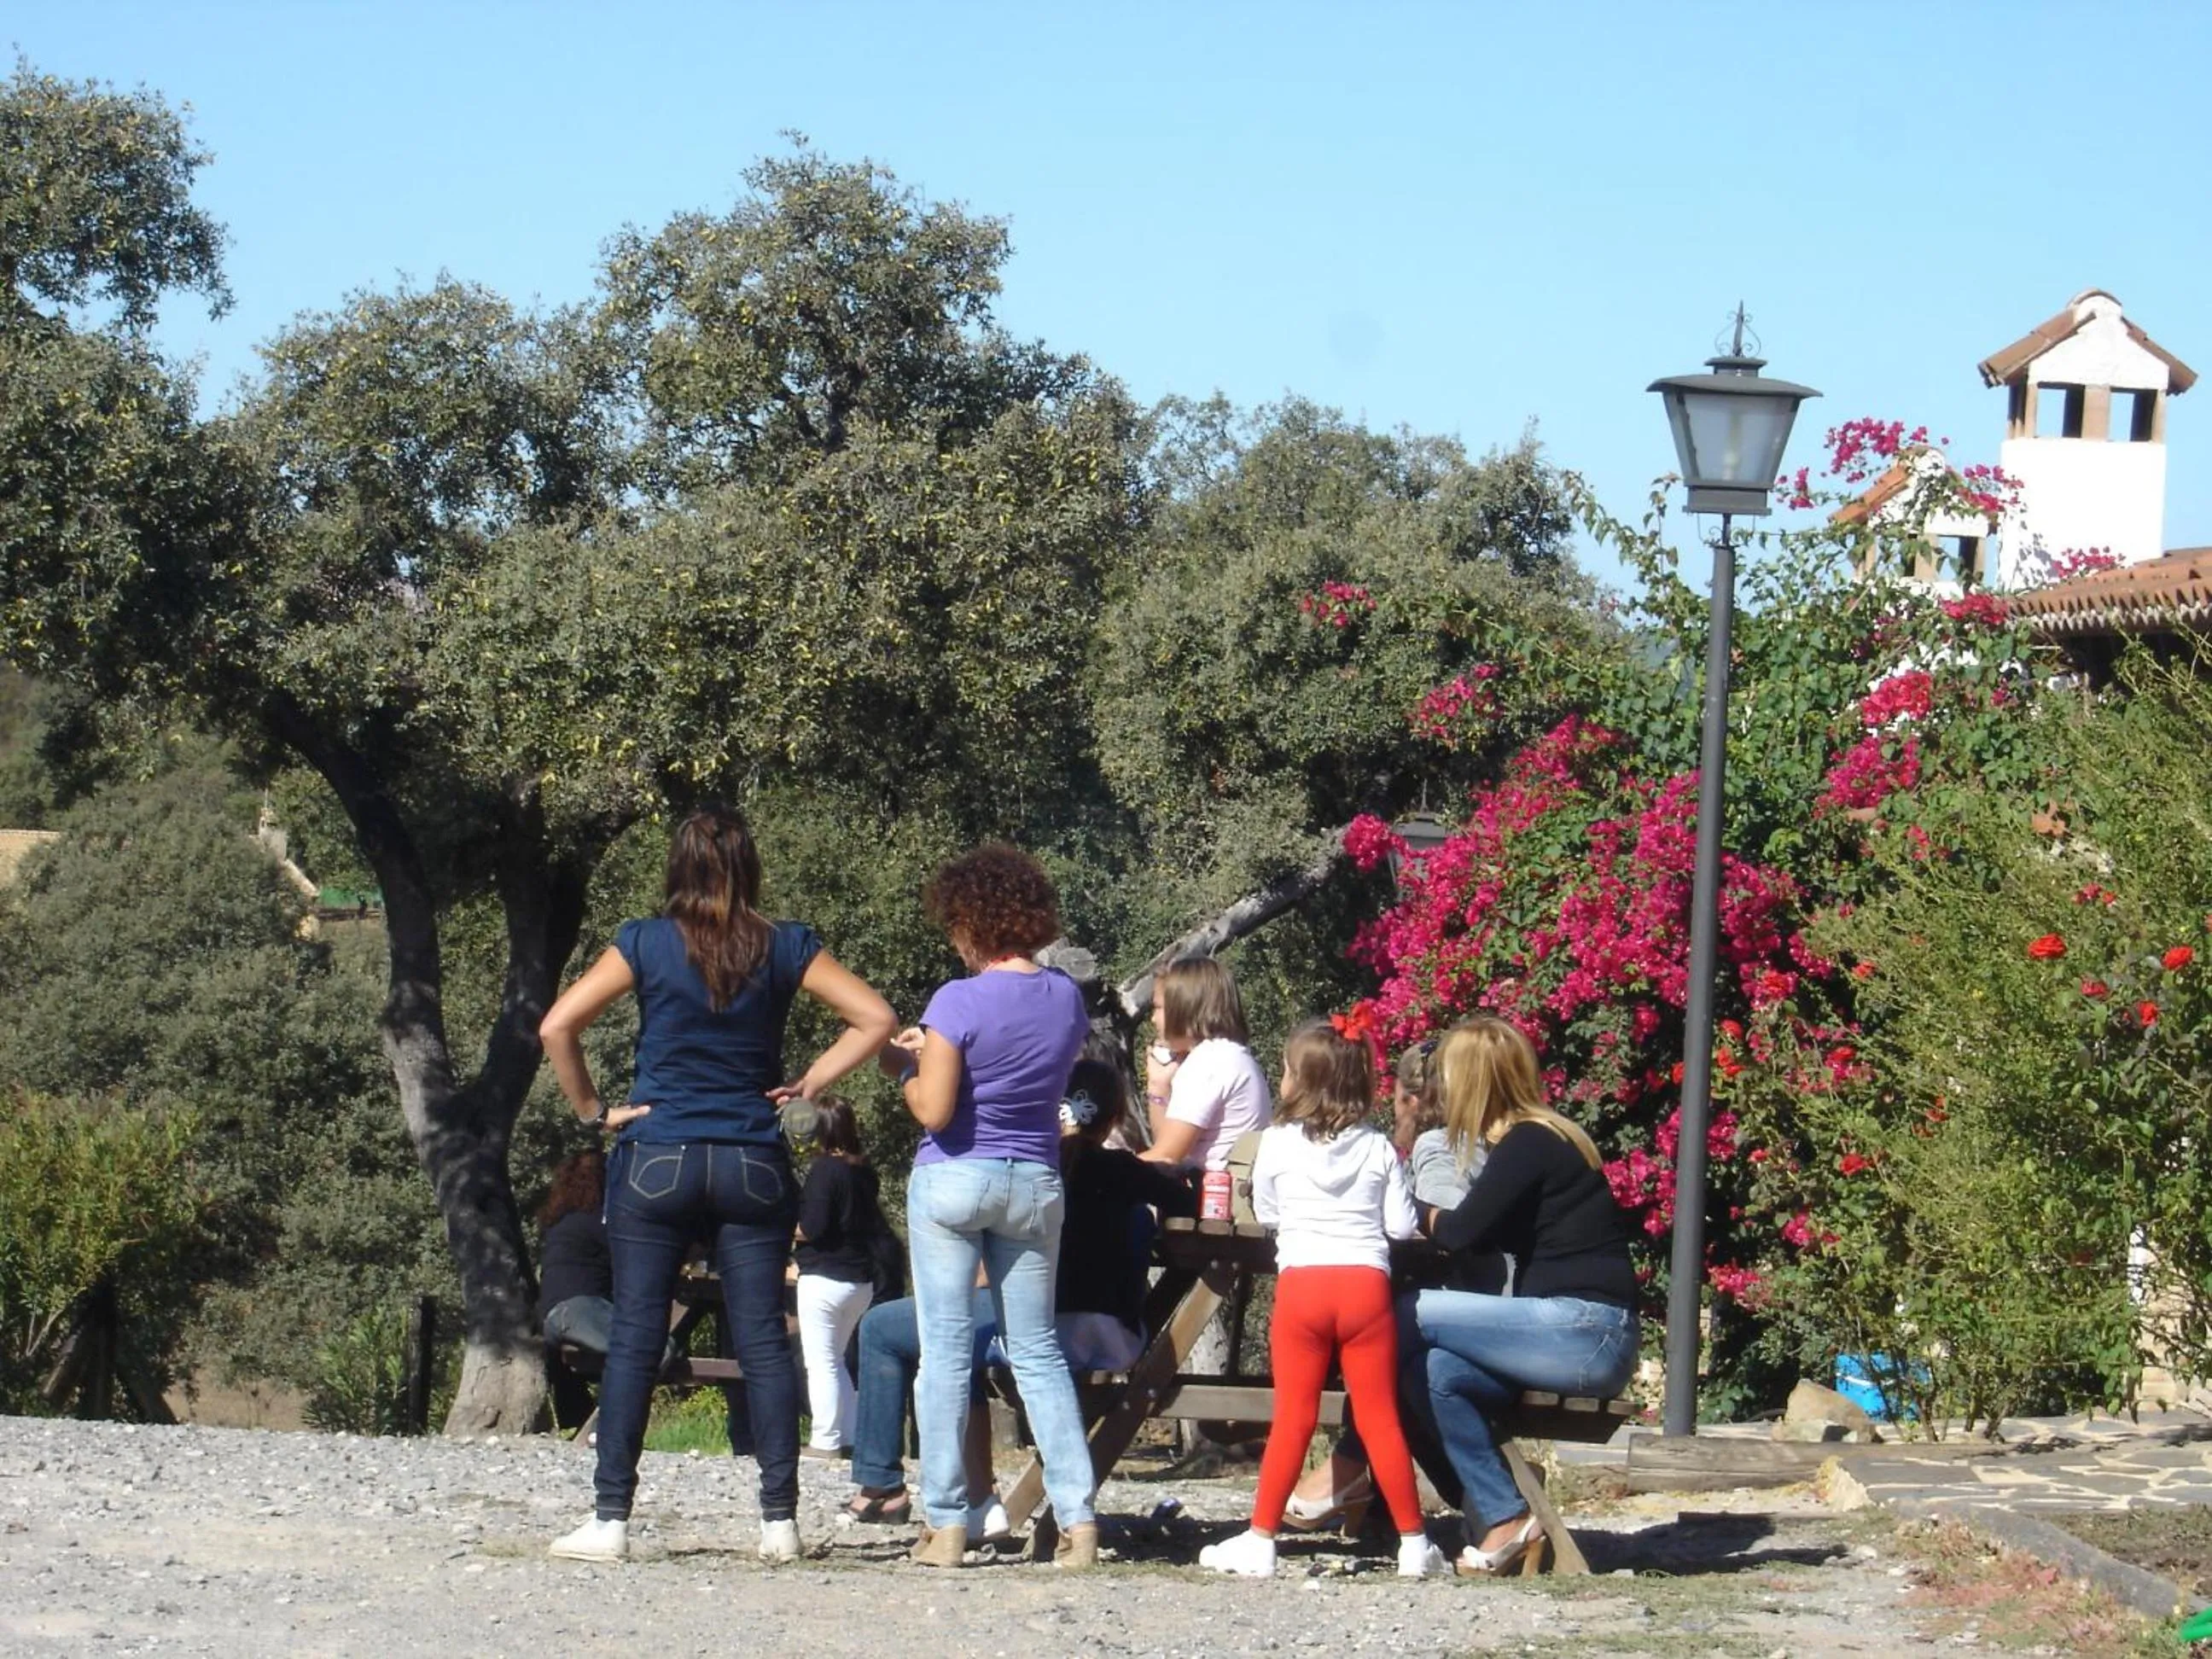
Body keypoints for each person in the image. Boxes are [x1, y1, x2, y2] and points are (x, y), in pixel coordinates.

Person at [538, 804, 896, 1565]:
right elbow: (873, 1017)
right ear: (749, 865)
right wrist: (809, 1083)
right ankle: (779, 1524)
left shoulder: (642, 941)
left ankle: (610, 1521)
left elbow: (556, 1027)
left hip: (657, 1154)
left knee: (636, 1335)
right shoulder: (785, 944)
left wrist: (596, 1112)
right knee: (764, 1340)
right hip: (752, 1160)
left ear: (678, 866)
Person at [842, 1056, 1196, 1537]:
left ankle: (890, 1486)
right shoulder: (1125, 1170)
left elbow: (984, 1271)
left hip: (1044, 1329)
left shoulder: (1028, 1171)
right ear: (1114, 1119)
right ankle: (981, 1498)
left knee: (886, 1329)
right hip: (1118, 1335)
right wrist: (1178, 1171)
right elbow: (1189, 1202)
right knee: (956, 1346)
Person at [882, 843, 1097, 1569]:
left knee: (943, 1352)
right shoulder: (1067, 996)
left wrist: (906, 1067)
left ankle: (946, 1524)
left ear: (969, 920)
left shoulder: (955, 1000)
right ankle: (1079, 1518)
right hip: (1034, 1180)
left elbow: (937, 1111)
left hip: (955, 1178)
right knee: (1036, 1352)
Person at [1199, 1021, 1450, 1580]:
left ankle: (1261, 1538)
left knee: (1294, 1415)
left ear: (1301, 1082)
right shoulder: (1379, 1146)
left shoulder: (1276, 1144)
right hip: (1364, 1286)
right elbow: (1401, 1225)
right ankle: (1414, 1544)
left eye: (1286, 1070)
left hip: (1304, 1286)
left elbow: (1267, 1214)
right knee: (1380, 1415)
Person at [1402, 1016, 1639, 1575]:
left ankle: (1348, 1470)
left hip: (1583, 1332)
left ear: (1472, 1083)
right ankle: (1503, 1517)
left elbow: (1459, 1232)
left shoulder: (1530, 1141)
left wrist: (1394, 1203)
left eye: (1450, 1077)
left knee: (1396, 1314)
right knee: (1433, 1372)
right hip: (1580, 1335)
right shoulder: (1543, 1139)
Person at [793, 1097, 891, 1458]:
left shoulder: (824, 1171)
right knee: (837, 1359)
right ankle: (848, 1436)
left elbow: (813, 1228)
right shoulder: (864, 1172)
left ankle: (825, 1440)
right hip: (860, 1280)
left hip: (824, 1277)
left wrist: (784, 1227)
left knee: (820, 1362)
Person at [1138, 957, 1272, 1170]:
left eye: (1159, 1008)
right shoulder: (1229, 1055)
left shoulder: (1209, 1063)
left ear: (1183, 1008)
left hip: (1211, 1197)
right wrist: (1158, 1086)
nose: (1153, 1019)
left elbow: (1167, 1156)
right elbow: (1168, 1148)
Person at [538, 1150, 613, 1435]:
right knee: (650, 1348)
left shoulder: (558, 1222)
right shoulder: (598, 1221)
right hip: (581, 1311)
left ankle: (585, 1427)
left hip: (551, 1316)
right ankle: (607, 1429)